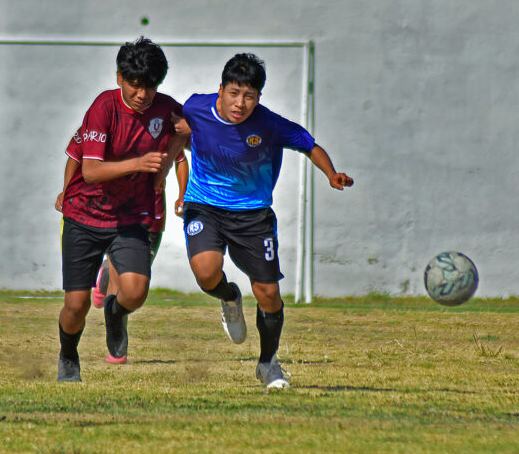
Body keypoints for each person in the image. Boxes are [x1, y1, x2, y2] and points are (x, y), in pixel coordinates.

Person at [166, 53, 353, 389]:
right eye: (234, 93)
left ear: (258, 97)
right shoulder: (196, 107)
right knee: (207, 272)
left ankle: (268, 365)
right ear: (220, 89)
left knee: (268, 293)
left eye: (249, 96)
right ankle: (228, 296)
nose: (240, 103)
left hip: (253, 215)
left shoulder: (268, 124)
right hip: (204, 205)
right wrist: (170, 165)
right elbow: (179, 126)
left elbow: (309, 144)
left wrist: (331, 173)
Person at [57, 37, 187, 380]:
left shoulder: (166, 108)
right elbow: (90, 169)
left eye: (151, 86)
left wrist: (171, 154)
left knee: (135, 292)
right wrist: (140, 163)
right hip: (84, 216)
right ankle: (68, 356)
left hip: (131, 217)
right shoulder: (103, 107)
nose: (142, 94)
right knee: (76, 305)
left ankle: (115, 315)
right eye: (135, 84)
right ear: (119, 78)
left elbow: (190, 133)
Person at [55, 131, 189, 331]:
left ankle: (108, 288)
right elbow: (75, 156)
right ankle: (115, 349)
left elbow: (180, 158)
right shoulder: (99, 121)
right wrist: (66, 191)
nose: (141, 98)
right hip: (104, 214)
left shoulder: (159, 126)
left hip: (149, 212)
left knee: (135, 282)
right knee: (83, 298)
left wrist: (182, 194)